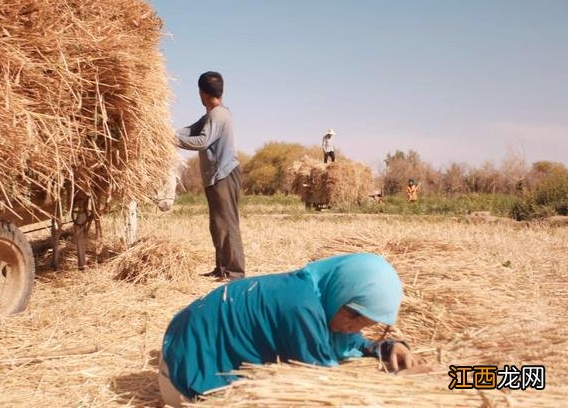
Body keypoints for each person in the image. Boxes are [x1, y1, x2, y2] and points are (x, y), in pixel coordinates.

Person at [158, 253, 428, 406]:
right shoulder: (302, 308)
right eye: (353, 315)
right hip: (185, 377)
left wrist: (388, 347)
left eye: (366, 323)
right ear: (341, 290)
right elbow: (327, 389)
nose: (352, 328)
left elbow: (352, 342)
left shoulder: (316, 292)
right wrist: (397, 385)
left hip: (179, 350)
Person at [175, 72, 245, 280]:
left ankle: (235, 272)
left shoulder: (218, 115)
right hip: (215, 175)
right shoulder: (211, 116)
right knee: (217, 223)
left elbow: (201, 141)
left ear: (202, 93)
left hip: (224, 174)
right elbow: (188, 131)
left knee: (228, 222)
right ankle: (222, 268)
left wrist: (171, 140)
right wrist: (163, 132)